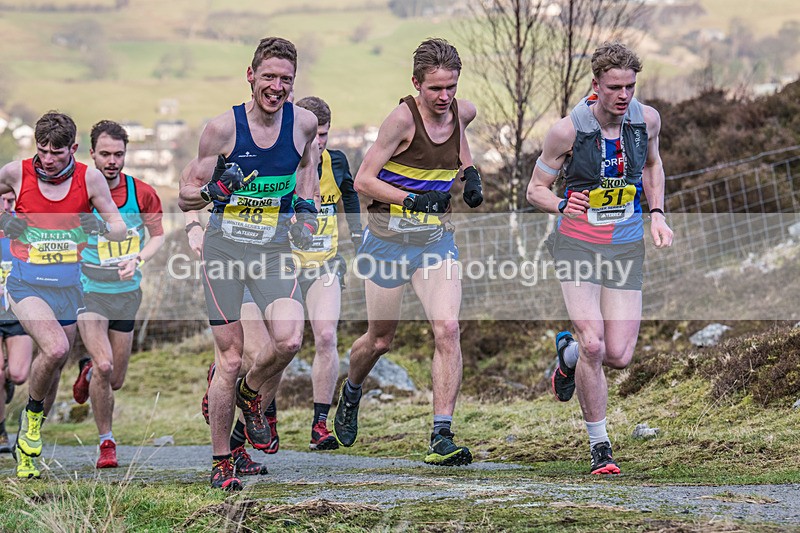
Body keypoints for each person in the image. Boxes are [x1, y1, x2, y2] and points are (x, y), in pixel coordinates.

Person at [332, 38, 483, 466]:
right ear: (416, 83)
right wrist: (410, 200)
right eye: (435, 88)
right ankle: (352, 389)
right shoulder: (401, 120)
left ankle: (441, 434)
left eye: (451, 86)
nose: (445, 97)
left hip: (435, 241)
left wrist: (469, 172)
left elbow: (460, 135)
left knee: (448, 329)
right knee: (380, 340)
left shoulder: (461, 110)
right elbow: (363, 181)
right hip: (386, 240)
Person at [178, 37, 320, 491]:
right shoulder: (222, 130)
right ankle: (223, 460)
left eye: (286, 79)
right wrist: (213, 193)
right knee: (231, 357)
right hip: (224, 252)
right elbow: (184, 195)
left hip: (272, 250)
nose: (277, 87)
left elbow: (307, 179)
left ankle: (249, 395)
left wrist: (304, 214)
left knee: (290, 338)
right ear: (251, 76)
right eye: (269, 77)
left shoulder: (305, 125)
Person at [526, 42, 673, 475]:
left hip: (625, 243)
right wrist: (559, 206)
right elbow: (535, 190)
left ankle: (566, 356)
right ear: (596, 85)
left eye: (630, 85)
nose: (623, 95)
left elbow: (651, 166)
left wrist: (658, 214)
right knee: (594, 342)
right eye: (614, 87)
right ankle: (600, 448)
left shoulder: (646, 120)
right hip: (577, 243)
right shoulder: (566, 131)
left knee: (619, 354)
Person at [0, 111, 126, 479]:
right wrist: (5, 222)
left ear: (72, 148)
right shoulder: (15, 173)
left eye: (56, 152)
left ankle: (27, 447)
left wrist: (100, 225)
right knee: (54, 348)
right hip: (26, 286)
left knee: (52, 371)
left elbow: (118, 227)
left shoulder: (89, 178)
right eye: (42, 151)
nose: (48, 159)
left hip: (68, 289)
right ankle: (32, 424)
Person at [71, 120, 165, 469]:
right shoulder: (79, 196)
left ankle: (87, 371)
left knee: (116, 378)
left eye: (119, 154)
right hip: (89, 289)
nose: (112, 161)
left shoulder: (141, 192)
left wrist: (138, 257)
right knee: (105, 364)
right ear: (91, 154)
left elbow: (158, 236)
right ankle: (106, 441)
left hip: (126, 292)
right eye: (105, 154)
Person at [277, 95, 362, 450]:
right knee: (278, 346)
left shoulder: (337, 162)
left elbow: (351, 194)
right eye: (313, 135)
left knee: (327, 338)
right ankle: (261, 414)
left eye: (324, 135)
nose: (318, 142)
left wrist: (359, 238)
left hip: (326, 263)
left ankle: (320, 425)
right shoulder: (281, 163)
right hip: (284, 266)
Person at [0, 191, 34, 455]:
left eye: (10, 201)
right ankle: (1, 431)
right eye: (1, 200)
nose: (6, 205)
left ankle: (8, 385)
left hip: (18, 311)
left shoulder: (23, 226)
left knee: (18, 374)